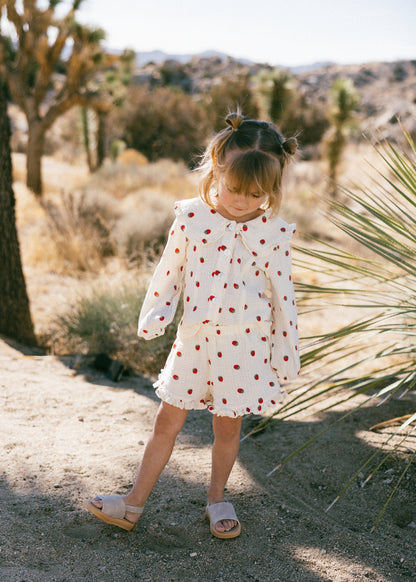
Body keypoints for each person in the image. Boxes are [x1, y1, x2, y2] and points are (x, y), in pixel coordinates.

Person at [83, 111, 300, 539]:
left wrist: (285, 351)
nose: (241, 200)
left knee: (227, 425)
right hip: (195, 341)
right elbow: (170, 270)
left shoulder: (275, 233)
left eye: (256, 193)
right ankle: (132, 504)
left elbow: (283, 297)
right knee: (167, 420)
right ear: (215, 168)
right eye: (234, 188)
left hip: (246, 347)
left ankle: (217, 497)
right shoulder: (192, 218)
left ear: (272, 190)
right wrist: (157, 313)